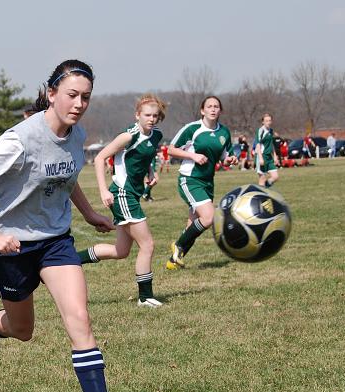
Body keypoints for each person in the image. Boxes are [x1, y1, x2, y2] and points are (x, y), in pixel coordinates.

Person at [0, 59, 134, 392]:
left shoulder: (76, 134)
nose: (79, 103)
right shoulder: (20, 138)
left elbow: (67, 176)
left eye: (85, 97)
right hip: (12, 248)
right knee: (23, 330)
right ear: (51, 94)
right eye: (71, 95)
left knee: (79, 318)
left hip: (55, 241)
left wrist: (89, 214)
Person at [76, 93, 166, 307]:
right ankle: (145, 297)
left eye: (155, 115)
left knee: (121, 251)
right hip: (122, 194)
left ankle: (72, 259)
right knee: (148, 245)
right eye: (147, 115)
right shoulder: (128, 136)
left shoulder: (156, 135)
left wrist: (150, 173)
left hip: (133, 194)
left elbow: (148, 155)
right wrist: (103, 191)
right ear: (137, 115)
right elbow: (99, 158)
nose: (151, 119)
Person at [165, 96, 237, 270]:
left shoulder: (224, 132)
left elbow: (224, 156)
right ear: (202, 110)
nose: (213, 109)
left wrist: (229, 160)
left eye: (216, 106)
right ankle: (178, 245)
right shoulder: (192, 129)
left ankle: (173, 261)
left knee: (193, 224)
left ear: (220, 111)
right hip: (190, 179)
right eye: (209, 106)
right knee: (209, 217)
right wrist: (193, 155)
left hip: (207, 181)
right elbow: (171, 150)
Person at [255, 113, 280, 188]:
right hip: (262, 155)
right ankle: (261, 195)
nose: (268, 122)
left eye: (269, 120)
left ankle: (265, 188)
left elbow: (271, 144)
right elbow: (258, 144)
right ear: (263, 122)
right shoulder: (260, 131)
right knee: (262, 178)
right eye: (266, 121)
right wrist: (260, 158)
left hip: (269, 157)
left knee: (275, 177)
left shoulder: (271, 131)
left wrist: (275, 156)